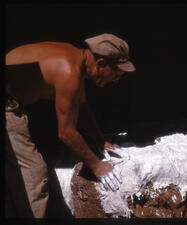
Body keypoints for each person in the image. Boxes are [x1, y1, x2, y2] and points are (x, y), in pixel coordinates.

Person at [5, 33, 135, 218]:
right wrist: (97, 165)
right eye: (115, 74)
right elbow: (66, 133)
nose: (115, 80)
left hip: (13, 98)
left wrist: (100, 141)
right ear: (100, 64)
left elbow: (81, 106)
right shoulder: (69, 72)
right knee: (33, 173)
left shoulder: (74, 58)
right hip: (7, 102)